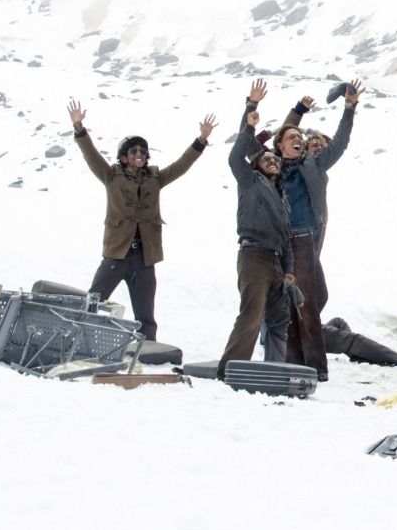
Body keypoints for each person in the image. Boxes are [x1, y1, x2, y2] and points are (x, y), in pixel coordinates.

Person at [66, 99, 215, 343]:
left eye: (143, 151)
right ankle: (76, 341)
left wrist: (201, 140)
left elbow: (181, 165)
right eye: (134, 151)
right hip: (117, 253)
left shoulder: (155, 178)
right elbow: (91, 155)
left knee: (146, 314)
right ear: (123, 157)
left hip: (145, 257)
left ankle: (147, 351)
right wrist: (79, 128)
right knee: (93, 301)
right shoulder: (111, 175)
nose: (140, 154)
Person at [269, 79, 363, 379]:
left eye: (300, 137)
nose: (297, 139)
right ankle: (305, 363)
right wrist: (297, 112)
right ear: (281, 146)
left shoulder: (313, 164)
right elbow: (279, 134)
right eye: (292, 138)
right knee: (298, 302)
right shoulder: (271, 166)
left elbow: (340, 143)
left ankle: (307, 362)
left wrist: (349, 107)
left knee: (311, 300)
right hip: (281, 242)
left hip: (303, 239)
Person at [219, 82, 295, 378]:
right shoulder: (249, 181)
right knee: (251, 315)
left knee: (278, 318)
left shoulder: (281, 197)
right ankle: (230, 369)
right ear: (257, 165)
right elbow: (235, 156)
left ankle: (274, 369)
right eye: (267, 158)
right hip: (253, 256)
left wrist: (288, 269)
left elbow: (286, 236)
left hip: (275, 260)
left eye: (275, 158)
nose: (273, 160)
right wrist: (250, 113)